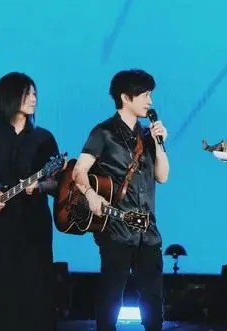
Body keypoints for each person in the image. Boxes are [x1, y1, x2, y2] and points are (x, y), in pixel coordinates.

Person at [72, 69, 169, 331]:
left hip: (148, 231)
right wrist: (90, 194)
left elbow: (162, 176)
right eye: (145, 95)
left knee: (153, 299)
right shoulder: (103, 132)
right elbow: (79, 171)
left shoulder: (147, 136)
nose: (150, 101)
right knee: (111, 297)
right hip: (116, 229)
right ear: (126, 97)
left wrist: (159, 144)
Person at [0, 72, 60, 331]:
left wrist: (39, 186)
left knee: (35, 291)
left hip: (34, 227)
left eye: (35, 93)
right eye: (28, 94)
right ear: (9, 97)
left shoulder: (44, 138)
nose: (34, 99)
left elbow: (58, 183)